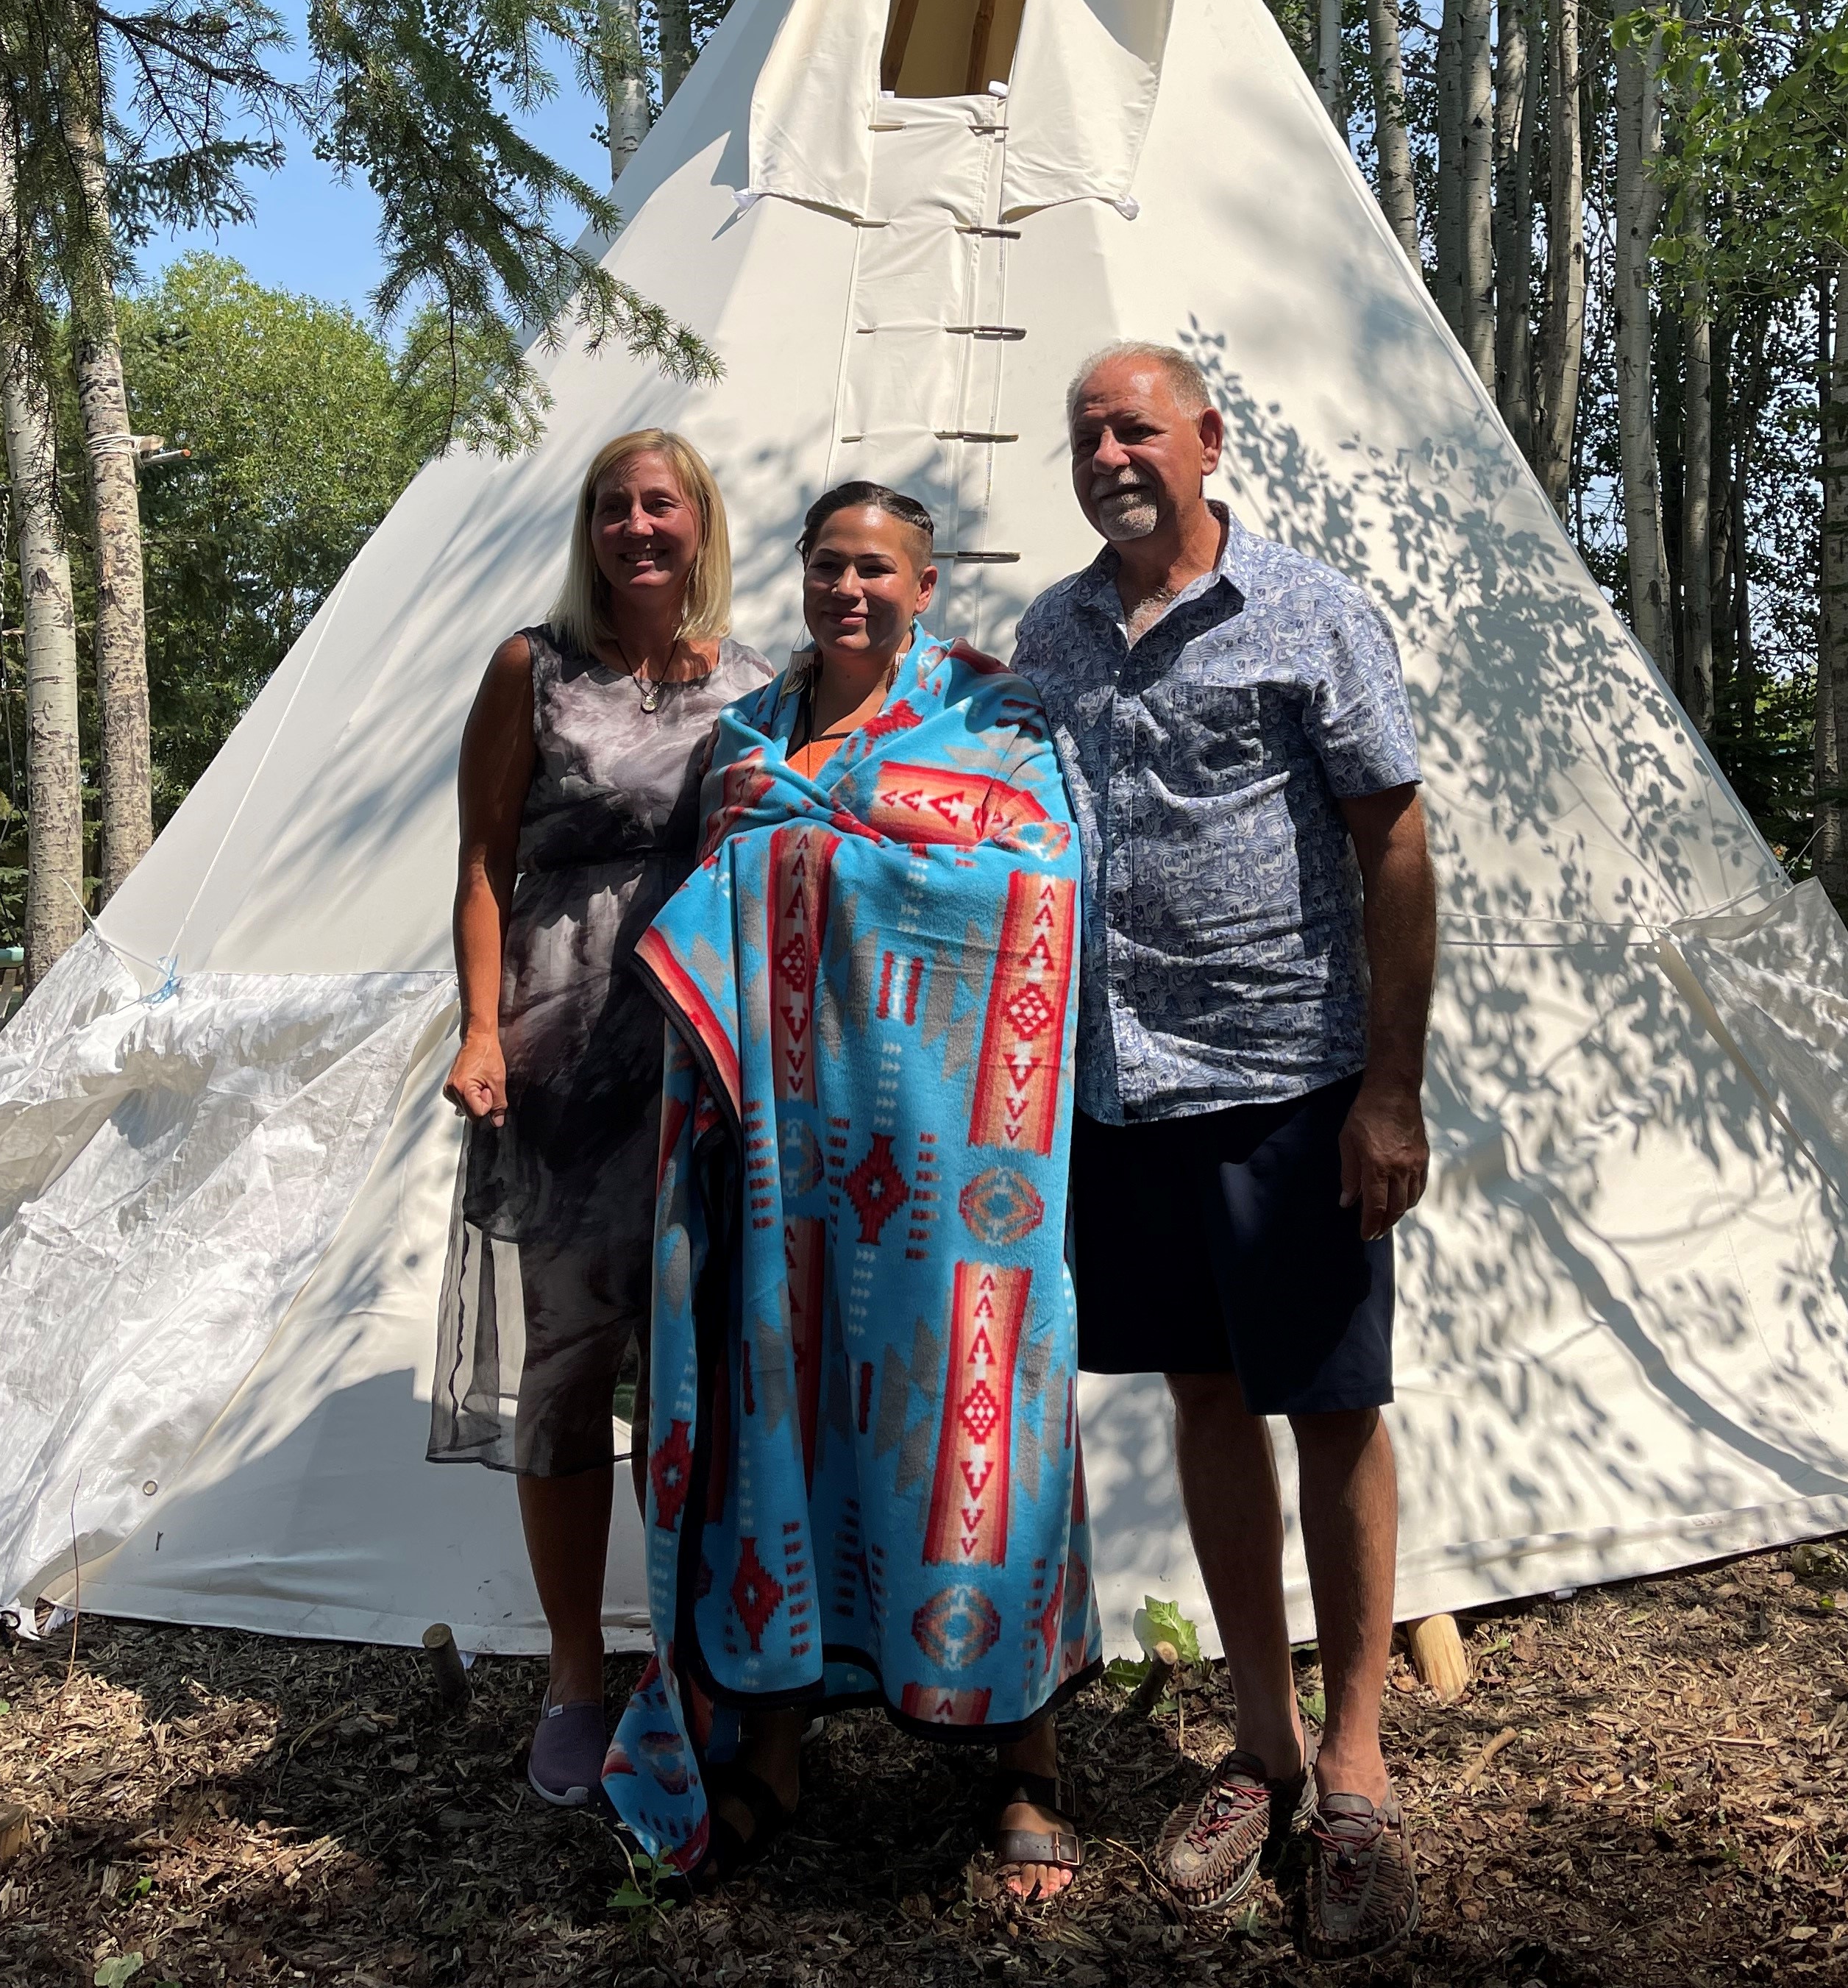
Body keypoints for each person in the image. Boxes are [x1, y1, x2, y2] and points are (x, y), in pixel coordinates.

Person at [602, 482, 1099, 1900]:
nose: (850, 592)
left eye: (878, 569)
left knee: (983, 1425)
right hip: (780, 1165)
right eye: (828, 567)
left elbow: (1044, 903)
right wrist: (818, 858)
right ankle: (771, 1752)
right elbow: (725, 893)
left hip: (958, 1165)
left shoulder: (1000, 723)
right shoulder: (750, 736)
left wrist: (828, 859)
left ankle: (1027, 1759)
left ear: (926, 584)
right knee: (777, 1417)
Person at [1012, 344, 1437, 1959]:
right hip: (1117, 1099)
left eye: (1139, 428)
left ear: (1206, 439)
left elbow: (1391, 841)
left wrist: (1388, 1088)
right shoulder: (1053, 634)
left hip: (1289, 1082)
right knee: (1204, 1400)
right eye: (1088, 434)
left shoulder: (1310, 611)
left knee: (1332, 1408)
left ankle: (1355, 1767)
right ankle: (1258, 1745)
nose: (1113, 454)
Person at [431, 429, 772, 1810]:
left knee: (701, 1379)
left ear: (700, 525)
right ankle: (579, 1671)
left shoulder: (758, 685)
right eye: (614, 507)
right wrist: (474, 1029)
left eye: (661, 504)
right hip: (562, 1054)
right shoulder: (534, 667)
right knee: (573, 1372)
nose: (638, 527)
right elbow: (479, 856)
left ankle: (689, 1661)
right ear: (591, 529)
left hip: (704, 1062)